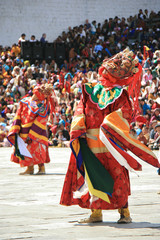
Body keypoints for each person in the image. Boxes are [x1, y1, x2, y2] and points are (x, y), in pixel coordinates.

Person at [60, 48, 160, 224]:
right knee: (103, 176)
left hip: (106, 143)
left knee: (110, 176)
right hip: (102, 142)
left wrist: (99, 127)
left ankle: (121, 212)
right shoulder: (96, 91)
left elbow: (122, 114)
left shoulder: (109, 93)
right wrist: (84, 128)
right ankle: (105, 212)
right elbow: (81, 112)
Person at [7, 83, 56, 175]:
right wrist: (16, 128)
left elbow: (42, 119)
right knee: (26, 150)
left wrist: (33, 134)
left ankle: (41, 168)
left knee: (37, 149)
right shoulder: (24, 101)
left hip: (36, 131)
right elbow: (18, 115)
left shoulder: (41, 106)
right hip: (23, 130)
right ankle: (30, 168)